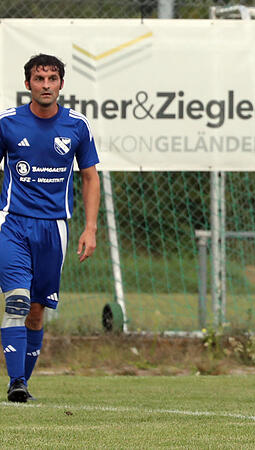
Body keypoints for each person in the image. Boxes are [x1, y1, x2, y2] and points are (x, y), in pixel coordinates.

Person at [0, 54, 100, 402]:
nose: (46, 85)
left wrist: (90, 228)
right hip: (12, 223)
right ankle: (16, 382)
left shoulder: (77, 126)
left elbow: (89, 177)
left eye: (52, 78)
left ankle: (21, 383)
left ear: (61, 84)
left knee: (37, 308)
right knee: (16, 300)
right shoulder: (7, 123)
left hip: (55, 228)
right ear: (27, 84)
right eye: (39, 79)